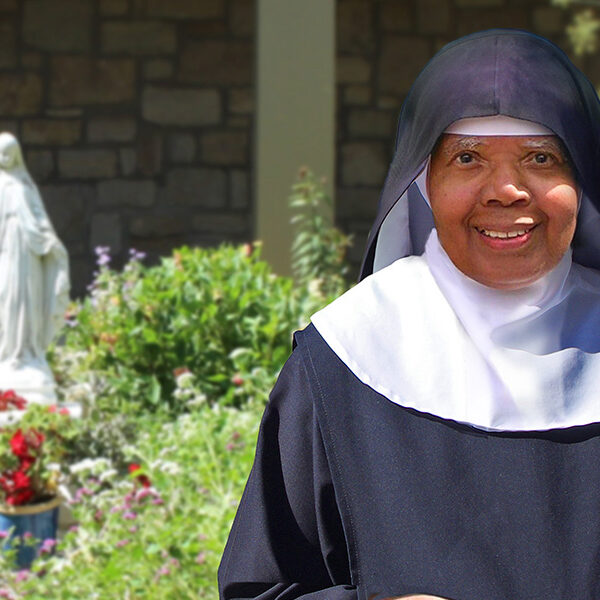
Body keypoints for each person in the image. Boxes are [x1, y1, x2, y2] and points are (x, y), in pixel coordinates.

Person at [218, 29, 600, 599]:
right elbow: (261, 588)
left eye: (540, 158)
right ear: (424, 182)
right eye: (467, 158)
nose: (506, 190)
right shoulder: (343, 359)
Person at [0, 132, 69, 370]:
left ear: (17, 154)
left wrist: (49, 239)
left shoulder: (25, 184)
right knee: (6, 296)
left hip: (28, 250)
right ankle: (6, 352)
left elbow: (39, 216)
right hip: (5, 251)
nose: (4, 158)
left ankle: (27, 352)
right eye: (0, 153)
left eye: (9, 153)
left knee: (26, 298)